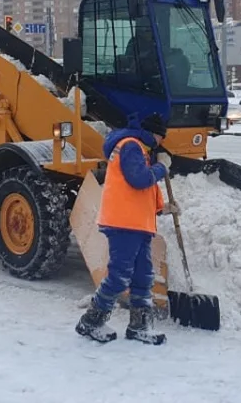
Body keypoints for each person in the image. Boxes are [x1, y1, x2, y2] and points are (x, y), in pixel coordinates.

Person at [76, 112, 179, 345]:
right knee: (120, 276)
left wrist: (163, 208)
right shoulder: (130, 146)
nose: (161, 142)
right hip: (123, 225)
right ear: (154, 134)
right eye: (161, 137)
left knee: (143, 275)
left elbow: (137, 194)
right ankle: (91, 321)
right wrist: (161, 168)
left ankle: (139, 326)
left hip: (137, 224)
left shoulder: (138, 149)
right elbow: (140, 179)